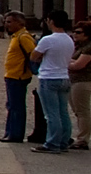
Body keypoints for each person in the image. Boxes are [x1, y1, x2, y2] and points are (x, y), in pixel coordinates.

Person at [29, 11, 74, 153]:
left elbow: (34, 56)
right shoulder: (68, 39)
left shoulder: (48, 39)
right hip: (64, 77)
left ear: (51, 21)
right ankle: (63, 142)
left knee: (51, 114)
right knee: (63, 113)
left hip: (49, 78)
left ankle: (52, 143)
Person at [0, 12, 37, 144]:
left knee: (17, 107)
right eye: (6, 22)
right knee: (11, 106)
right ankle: (9, 132)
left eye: (9, 22)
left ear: (20, 23)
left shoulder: (23, 37)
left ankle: (16, 134)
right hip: (12, 75)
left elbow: (33, 54)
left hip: (19, 76)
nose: (6, 25)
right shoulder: (16, 36)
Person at [68, 23, 91, 151]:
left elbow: (78, 65)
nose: (75, 34)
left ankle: (83, 139)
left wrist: (64, 61)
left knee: (83, 111)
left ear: (87, 34)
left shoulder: (89, 48)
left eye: (78, 32)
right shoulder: (79, 47)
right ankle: (81, 137)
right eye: (74, 31)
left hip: (83, 82)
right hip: (74, 81)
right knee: (77, 111)